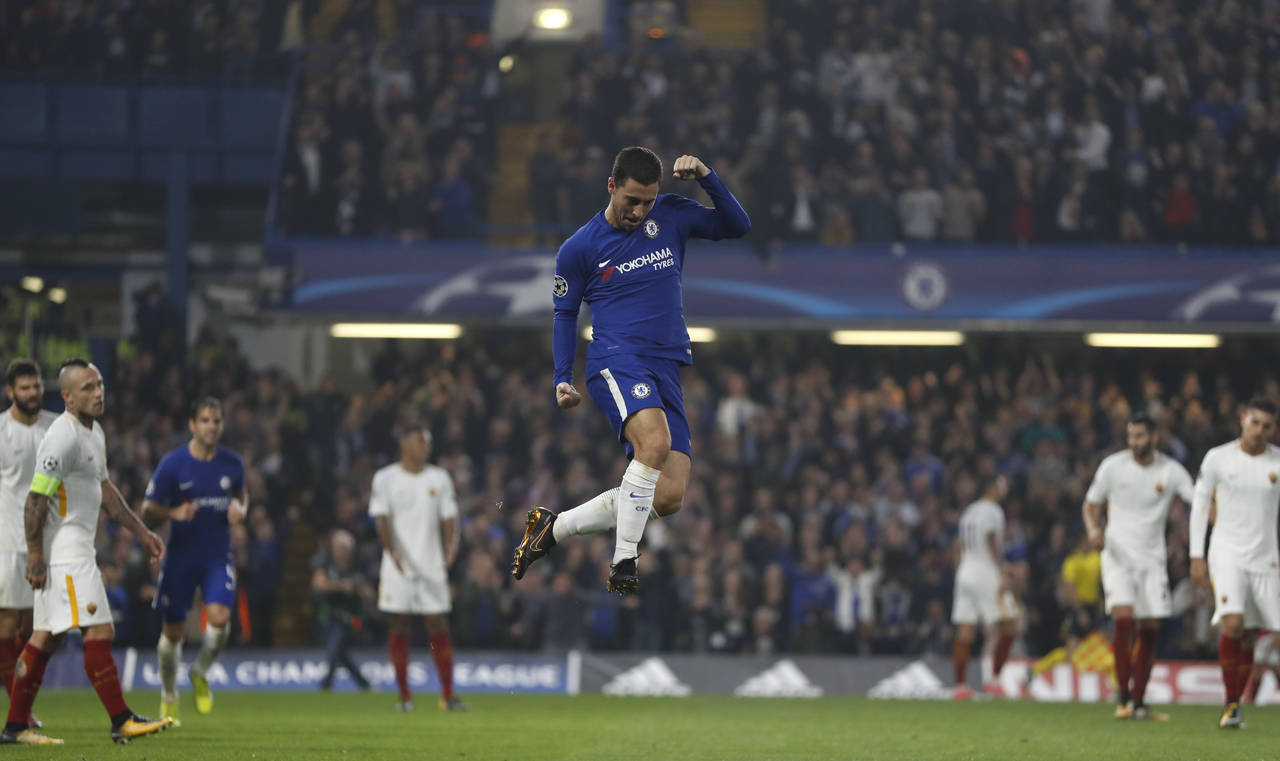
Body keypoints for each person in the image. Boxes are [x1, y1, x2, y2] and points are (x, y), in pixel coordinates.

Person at [510, 147, 750, 594]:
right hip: (616, 359)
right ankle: (624, 559)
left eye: (647, 202)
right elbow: (565, 314)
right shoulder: (580, 248)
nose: (639, 212)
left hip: (665, 366)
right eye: (631, 201)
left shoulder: (671, 215)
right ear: (611, 187)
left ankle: (552, 528)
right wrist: (562, 376)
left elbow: (738, 225)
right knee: (654, 444)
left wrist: (707, 176)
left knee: (669, 495)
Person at [0, 359, 172, 745]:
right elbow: (35, 499)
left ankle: (15, 726)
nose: (98, 393)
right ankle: (121, 720)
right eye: (88, 388)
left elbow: (105, 492)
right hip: (66, 553)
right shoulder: (62, 437)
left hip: (72, 550)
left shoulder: (93, 432)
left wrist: (142, 533)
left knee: (44, 639)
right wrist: (35, 555)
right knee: (99, 629)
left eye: (100, 385)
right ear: (68, 397)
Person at [140, 397, 247, 723]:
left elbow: (241, 495)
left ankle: (199, 672)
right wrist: (174, 513)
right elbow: (147, 509)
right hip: (181, 558)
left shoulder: (232, 463)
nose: (211, 426)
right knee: (172, 634)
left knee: (220, 619)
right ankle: (169, 694)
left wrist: (240, 509)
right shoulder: (174, 464)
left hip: (217, 556)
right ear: (192, 425)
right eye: (205, 420)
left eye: (216, 421)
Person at [1082, 412, 1193, 720]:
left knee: (1150, 629)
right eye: (1130, 436)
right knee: (1124, 620)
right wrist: (1093, 529)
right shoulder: (1112, 466)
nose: (1134, 442)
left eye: (1140, 436)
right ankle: (1122, 698)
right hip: (1117, 555)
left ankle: (1139, 703)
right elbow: (1090, 505)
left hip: (1152, 560)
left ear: (1154, 437)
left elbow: (1196, 500)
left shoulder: (1171, 471)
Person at [1190, 396, 1280, 729]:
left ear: (1274, 429)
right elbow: (1200, 505)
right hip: (1226, 551)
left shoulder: (1277, 462)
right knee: (1232, 623)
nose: (1259, 430)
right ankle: (1230, 702)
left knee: (1250, 633)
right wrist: (1196, 555)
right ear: (1242, 419)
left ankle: (1236, 704)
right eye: (1255, 422)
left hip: (1265, 558)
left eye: (1267, 426)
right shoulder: (1217, 458)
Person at [371, 421, 464, 712]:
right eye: (421, 441)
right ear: (405, 443)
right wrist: (392, 552)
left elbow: (450, 519)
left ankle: (447, 695)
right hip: (397, 565)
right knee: (399, 624)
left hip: (431, 564)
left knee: (438, 624)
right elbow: (381, 520)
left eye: (428, 442)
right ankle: (404, 697)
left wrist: (450, 551)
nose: (426, 447)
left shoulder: (439, 478)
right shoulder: (385, 478)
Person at [0, 359, 57, 730]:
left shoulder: (55, 427)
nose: (33, 393)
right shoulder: (1, 431)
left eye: (36, 386)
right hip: (7, 542)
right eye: (25, 388)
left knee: (44, 629)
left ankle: (21, 703)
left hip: (49, 542)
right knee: (7, 625)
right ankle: (20, 710)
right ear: (11, 392)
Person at [951, 475, 1017, 700]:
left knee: (965, 630)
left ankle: (960, 685)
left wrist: (959, 568)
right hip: (986, 571)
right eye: (1001, 483)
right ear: (992, 487)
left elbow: (958, 544)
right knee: (1010, 625)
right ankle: (994, 680)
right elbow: (990, 538)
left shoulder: (969, 511)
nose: (1005, 487)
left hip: (965, 571)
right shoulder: (993, 511)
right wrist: (1002, 570)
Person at [312, 529, 373, 691]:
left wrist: (358, 588)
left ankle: (327, 684)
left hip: (351, 617)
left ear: (349, 549)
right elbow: (318, 584)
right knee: (337, 648)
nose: (337, 551)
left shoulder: (357, 565)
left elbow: (369, 591)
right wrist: (341, 586)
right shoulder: (326, 563)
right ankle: (362, 684)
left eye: (341, 548)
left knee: (336, 646)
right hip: (328, 615)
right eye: (335, 547)